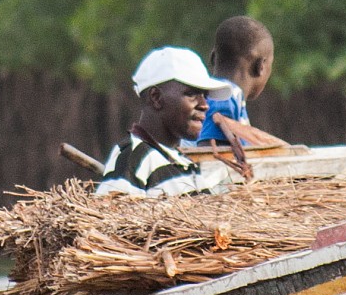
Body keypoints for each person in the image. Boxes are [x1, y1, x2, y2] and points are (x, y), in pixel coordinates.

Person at [96, 47, 239, 198]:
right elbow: (113, 215)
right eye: (191, 94)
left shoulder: (185, 164)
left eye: (204, 95)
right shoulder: (134, 159)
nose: (204, 105)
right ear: (156, 97)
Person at [196, 16, 290, 152]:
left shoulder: (219, 96)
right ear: (261, 66)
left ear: (213, 57)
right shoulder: (225, 97)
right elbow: (211, 158)